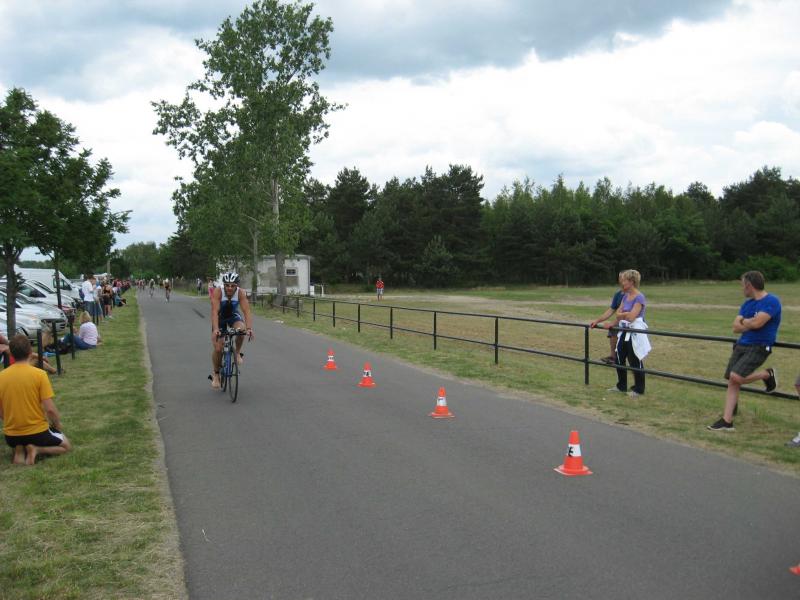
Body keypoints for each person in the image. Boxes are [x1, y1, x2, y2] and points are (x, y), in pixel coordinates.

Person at [707, 271, 780, 432]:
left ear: (749, 285)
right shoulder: (747, 304)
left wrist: (745, 321)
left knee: (736, 376)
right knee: (731, 379)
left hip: (759, 346)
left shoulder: (772, 301)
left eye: (742, 285)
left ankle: (766, 375)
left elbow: (758, 324)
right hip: (742, 344)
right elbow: (735, 327)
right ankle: (727, 421)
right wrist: (749, 322)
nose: (741, 289)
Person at [0, 334, 71, 465]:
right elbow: (50, 409)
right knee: (66, 446)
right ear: (29, 352)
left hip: (11, 436)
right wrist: (57, 424)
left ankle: (19, 449)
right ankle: (36, 449)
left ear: (11, 354)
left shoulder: (1, 377)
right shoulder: (39, 375)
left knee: (20, 439)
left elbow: (1, 412)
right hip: (37, 433)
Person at [607, 269, 650, 398]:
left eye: (625, 280)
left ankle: (639, 389)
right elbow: (618, 314)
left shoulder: (639, 297)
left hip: (634, 333)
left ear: (631, 282)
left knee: (634, 360)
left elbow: (631, 318)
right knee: (619, 357)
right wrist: (625, 314)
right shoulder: (625, 296)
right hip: (624, 331)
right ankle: (621, 385)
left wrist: (624, 314)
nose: (622, 283)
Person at [209, 272, 253, 389]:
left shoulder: (240, 292)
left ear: (236, 286)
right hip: (220, 317)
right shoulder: (218, 291)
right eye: (227, 285)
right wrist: (216, 329)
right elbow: (214, 312)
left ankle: (237, 353)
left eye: (232, 285)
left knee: (241, 330)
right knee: (218, 348)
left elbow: (246, 311)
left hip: (233, 315)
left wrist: (249, 328)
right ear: (223, 285)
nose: (229, 288)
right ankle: (216, 375)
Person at [589, 272, 625, 364]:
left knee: (614, 328)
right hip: (620, 321)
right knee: (613, 329)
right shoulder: (618, 294)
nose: (621, 280)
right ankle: (613, 357)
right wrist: (597, 321)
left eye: (623, 278)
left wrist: (612, 323)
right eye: (620, 278)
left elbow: (627, 314)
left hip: (630, 322)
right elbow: (611, 310)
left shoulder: (631, 295)